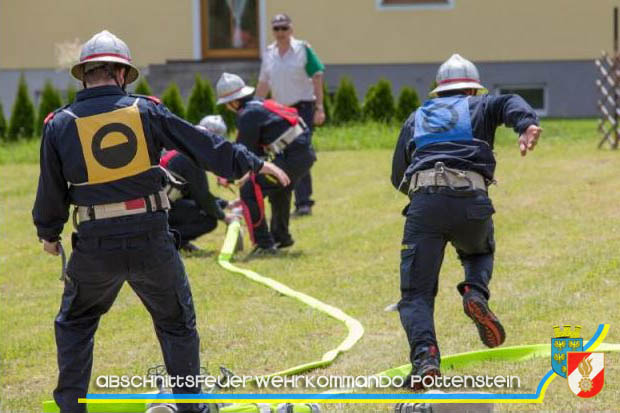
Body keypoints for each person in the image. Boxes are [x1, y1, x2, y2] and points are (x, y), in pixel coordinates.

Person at [32, 30, 289, 413]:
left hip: (94, 243)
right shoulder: (147, 110)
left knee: (76, 325)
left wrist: (48, 233)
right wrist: (254, 162)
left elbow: (51, 188)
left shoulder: (59, 123)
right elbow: (203, 146)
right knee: (175, 325)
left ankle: (72, 408)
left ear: (84, 74)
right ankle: (190, 408)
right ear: (121, 74)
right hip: (150, 237)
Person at [390, 54, 542, 388]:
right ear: (472, 91)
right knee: (478, 253)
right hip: (472, 202)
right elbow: (508, 102)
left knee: (415, 295)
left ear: (438, 92)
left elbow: (398, 176)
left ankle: (425, 360)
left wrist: (425, 200)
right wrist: (526, 124)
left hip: (425, 204)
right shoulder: (481, 107)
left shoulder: (416, 117)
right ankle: (474, 291)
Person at [216, 72, 316, 257]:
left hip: (291, 157)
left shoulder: (247, 114)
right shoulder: (260, 105)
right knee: (279, 189)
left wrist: (227, 176)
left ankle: (264, 244)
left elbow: (244, 153)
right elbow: (257, 152)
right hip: (301, 154)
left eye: (226, 104)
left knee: (249, 189)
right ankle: (280, 237)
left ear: (234, 102)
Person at [255, 13, 325, 217]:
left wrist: (319, 107)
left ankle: (304, 203)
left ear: (291, 30)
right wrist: (253, 108)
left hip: (302, 108)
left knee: (300, 153)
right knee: (281, 155)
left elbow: (317, 76)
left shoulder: (303, 49)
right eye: (276, 29)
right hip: (279, 112)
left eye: (284, 28)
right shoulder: (269, 53)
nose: (280, 33)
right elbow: (263, 83)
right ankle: (284, 196)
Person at [160, 115, 231, 252]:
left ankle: (179, 241)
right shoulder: (191, 158)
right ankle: (170, 242)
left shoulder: (177, 147)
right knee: (208, 219)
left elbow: (191, 192)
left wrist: (226, 204)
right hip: (162, 211)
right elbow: (202, 198)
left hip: (157, 208)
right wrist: (224, 216)